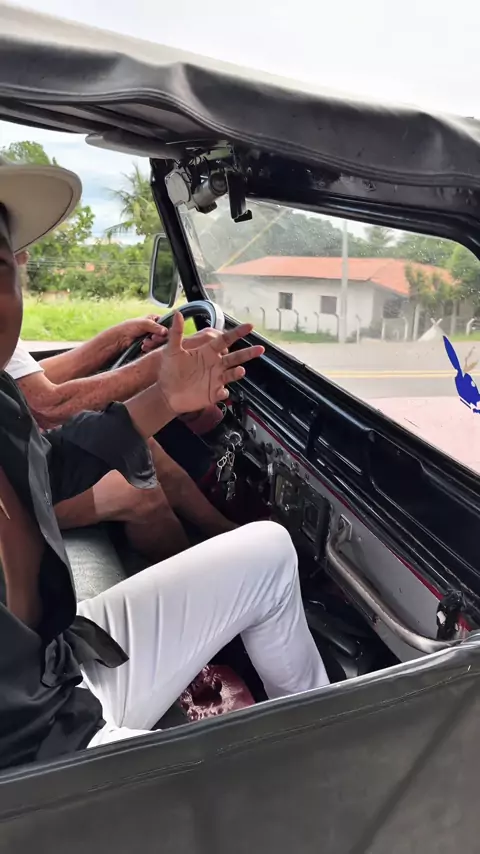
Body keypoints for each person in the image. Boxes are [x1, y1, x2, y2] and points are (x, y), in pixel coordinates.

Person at [0, 156, 329, 769]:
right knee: (241, 807)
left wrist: (165, 398)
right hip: (36, 751)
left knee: (269, 551)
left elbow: (47, 468)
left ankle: (324, 740)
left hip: (61, 659)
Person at [8, 255, 236, 560]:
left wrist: (115, 340)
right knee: (141, 494)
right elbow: (47, 405)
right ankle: (205, 578)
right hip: (13, 488)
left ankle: (223, 532)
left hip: (20, 454)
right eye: (8, 252)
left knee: (140, 445)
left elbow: (27, 379)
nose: (24, 256)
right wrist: (159, 365)